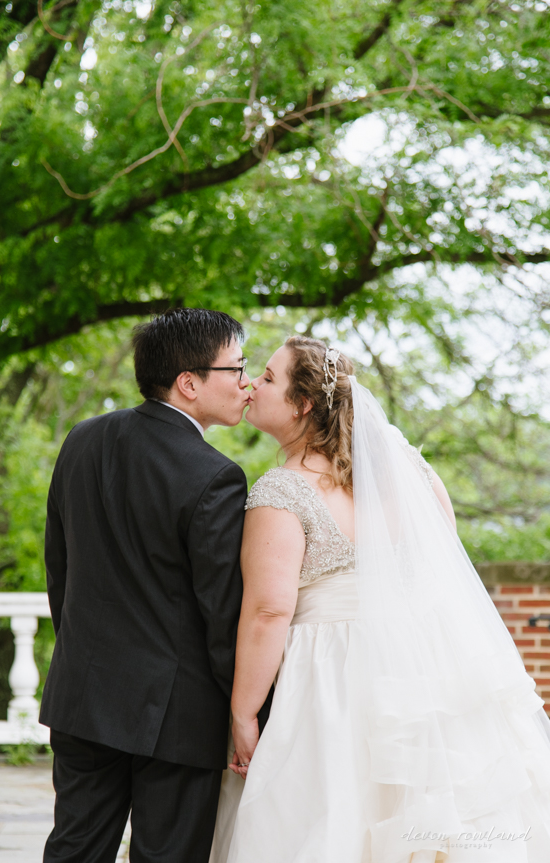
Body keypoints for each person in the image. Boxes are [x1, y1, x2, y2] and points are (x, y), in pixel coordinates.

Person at [210, 335, 550, 863]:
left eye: (269, 378)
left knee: (330, 818)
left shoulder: (282, 491)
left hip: (331, 678)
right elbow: (439, 564)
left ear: (302, 405)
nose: (252, 383)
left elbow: (268, 612)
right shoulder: (414, 472)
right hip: (420, 665)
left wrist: (243, 712)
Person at [40, 309, 271, 863]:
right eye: (236, 368)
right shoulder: (215, 475)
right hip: (178, 715)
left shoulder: (82, 439)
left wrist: (81, 654)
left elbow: (60, 568)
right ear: (188, 383)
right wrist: (247, 711)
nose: (246, 381)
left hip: (84, 693)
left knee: (74, 850)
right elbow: (223, 614)